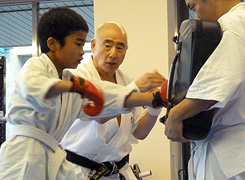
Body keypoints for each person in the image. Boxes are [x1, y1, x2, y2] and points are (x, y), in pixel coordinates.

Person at [0, 7, 167, 180]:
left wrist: (155, 98)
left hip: (56, 160)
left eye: (120, 47)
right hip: (24, 156)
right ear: (53, 44)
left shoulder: (69, 79)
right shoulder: (36, 67)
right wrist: (80, 87)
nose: (82, 51)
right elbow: (37, 89)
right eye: (78, 44)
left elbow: (107, 98)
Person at [60, 22, 166, 180]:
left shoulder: (126, 81)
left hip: (119, 172)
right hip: (81, 173)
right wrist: (134, 89)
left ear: (126, 50)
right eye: (107, 46)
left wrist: (155, 106)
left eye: (120, 47)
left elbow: (139, 132)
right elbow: (98, 114)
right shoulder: (76, 78)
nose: (113, 54)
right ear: (94, 45)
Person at [164, 0, 245, 180]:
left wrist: (175, 116)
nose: (197, 17)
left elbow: (219, 84)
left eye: (193, 7)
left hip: (228, 154)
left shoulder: (233, 23)